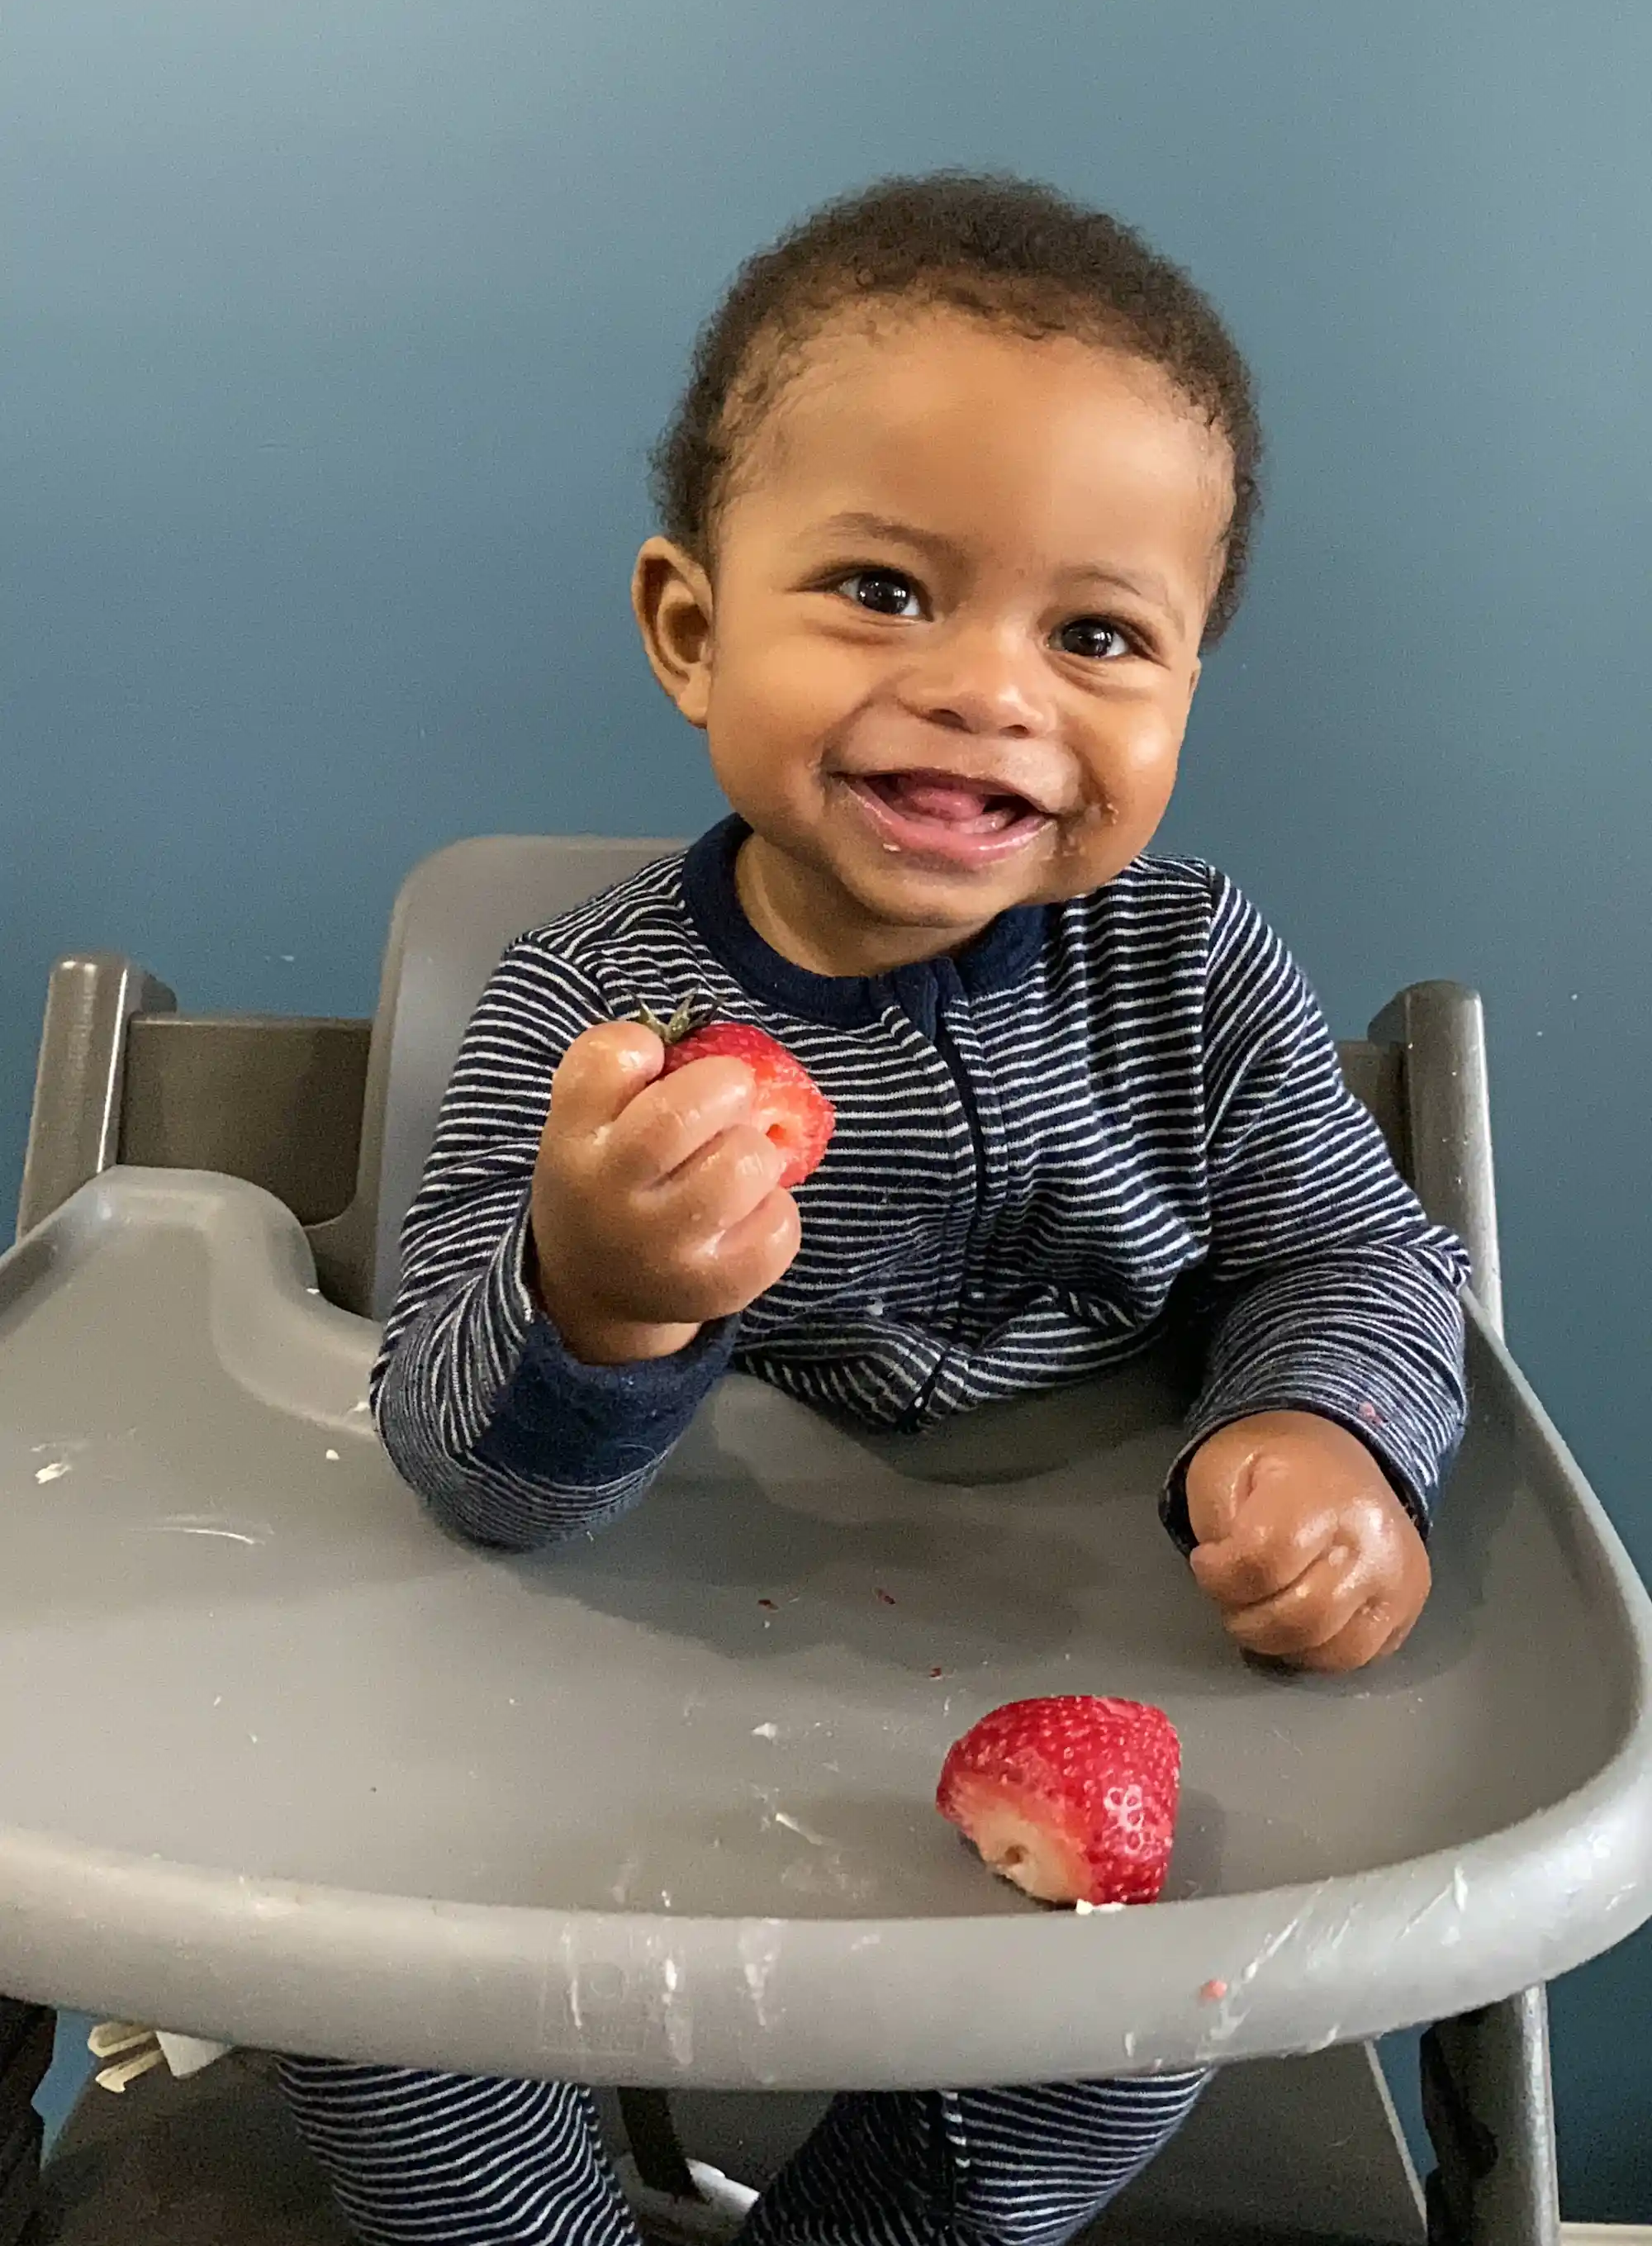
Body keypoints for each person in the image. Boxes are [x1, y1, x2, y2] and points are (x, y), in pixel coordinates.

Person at [279, 173, 1469, 2245]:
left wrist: (1324, 1430)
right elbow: (459, 1470)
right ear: (690, 625)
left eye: (1094, 632)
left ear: (1186, 687)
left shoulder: (1189, 978)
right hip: (621, 1672)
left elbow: (1356, 1253)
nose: (990, 686)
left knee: (1150, 1989)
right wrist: (595, 1294)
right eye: (886, 590)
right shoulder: (583, 1013)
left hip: (1066, 1651)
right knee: (325, 1966)